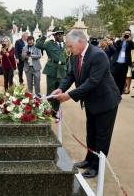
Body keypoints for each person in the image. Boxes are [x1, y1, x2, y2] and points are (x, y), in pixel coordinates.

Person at [51, 30, 121, 178]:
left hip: (105, 101)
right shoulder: (75, 56)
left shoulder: (98, 55)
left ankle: (97, 167)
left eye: (70, 46)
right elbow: (70, 75)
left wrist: (69, 95)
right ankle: (89, 160)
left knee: (102, 136)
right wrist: (61, 88)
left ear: (81, 42)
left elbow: (92, 82)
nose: (69, 49)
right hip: (90, 101)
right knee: (91, 133)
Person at [35, 27, 69, 119]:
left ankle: (55, 111)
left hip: (62, 71)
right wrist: (46, 36)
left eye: (61, 34)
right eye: (58, 34)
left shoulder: (66, 45)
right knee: (50, 92)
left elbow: (69, 59)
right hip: (52, 70)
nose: (60, 35)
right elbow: (38, 45)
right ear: (54, 35)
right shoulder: (49, 44)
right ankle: (49, 110)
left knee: (59, 92)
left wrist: (68, 71)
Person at [110, 29, 134, 95]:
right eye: (125, 34)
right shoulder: (119, 41)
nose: (126, 35)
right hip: (116, 63)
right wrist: (122, 39)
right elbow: (116, 47)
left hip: (125, 64)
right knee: (114, 77)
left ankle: (119, 92)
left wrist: (130, 39)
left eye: (128, 34)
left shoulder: (131, 42)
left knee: (122, 78)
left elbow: (133, 47)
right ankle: (113, 91)